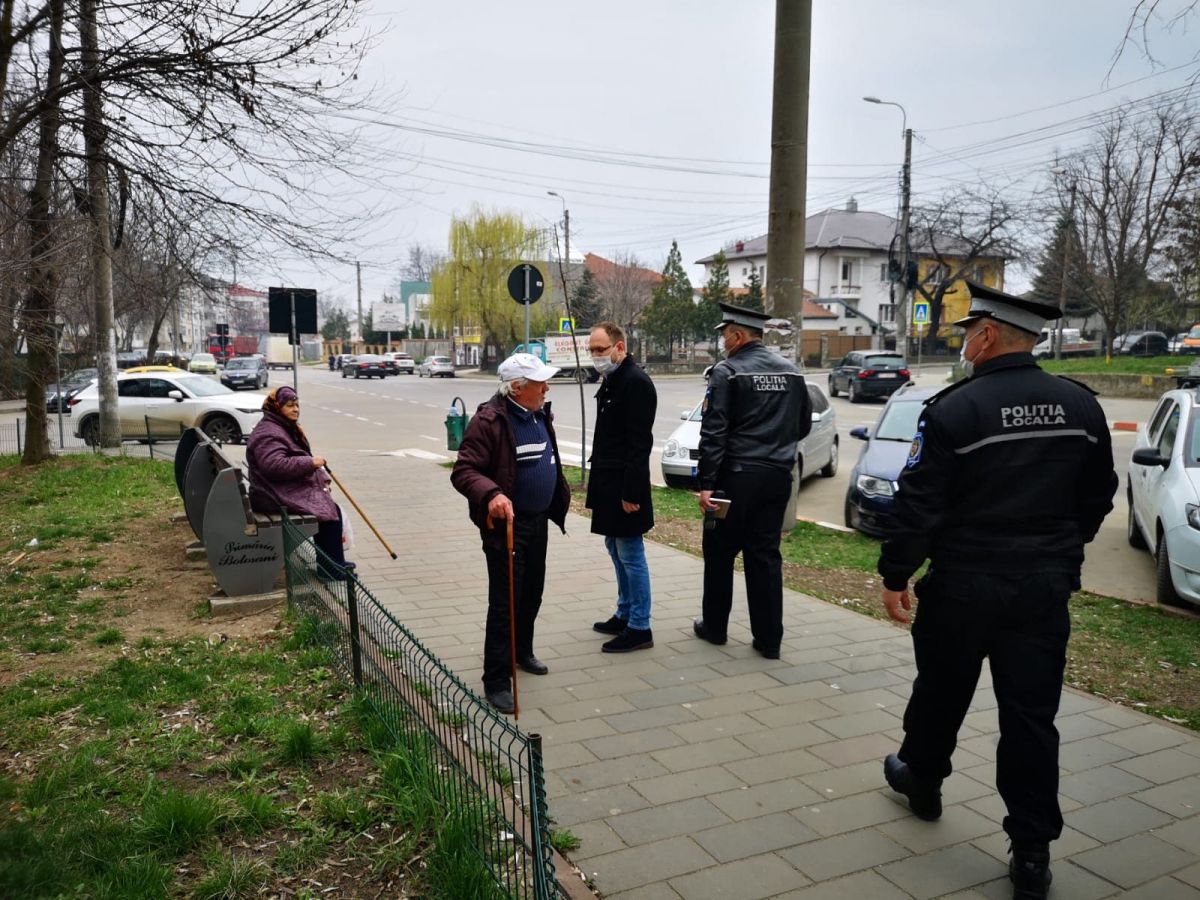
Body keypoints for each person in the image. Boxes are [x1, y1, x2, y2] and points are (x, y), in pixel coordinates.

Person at [876, 282, 1117, 900]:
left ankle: (923, 781)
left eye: (968, 333)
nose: (964, 344)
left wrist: (896, 574)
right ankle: (1031, 852)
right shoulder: (1081, 406)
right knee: (1031, 717)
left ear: (986, 336)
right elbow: (1099, 495)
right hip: (1042, 588)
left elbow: (919, 505)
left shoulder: (956, 408)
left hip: (963, 585)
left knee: (940, 691)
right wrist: (1061, 551)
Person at [450, 352, 571, 714]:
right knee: (505, 602)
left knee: (532, 591)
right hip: (507, 526)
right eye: (540, 383)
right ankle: (497, 678)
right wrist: (492, 494)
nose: (547, 388)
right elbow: (464, 471)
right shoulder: (488, 421)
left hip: (538, 520)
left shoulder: (538, 413)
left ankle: (522, 651)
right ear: (517, 388)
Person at [692, 302, 810, 659]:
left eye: (725, 336)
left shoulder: (727, 372)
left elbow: (714, 431)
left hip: (734, 480)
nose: (723, 342)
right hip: (777, 478)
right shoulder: (792, 372)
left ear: (739, 335)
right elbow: (803, 425)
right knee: (765, 556)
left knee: (719, 553)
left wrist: (706, 484)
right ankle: (769, 640)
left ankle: (715, 628)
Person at [586, 322, 658, 653]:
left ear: (619, 347)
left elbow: (639, 444)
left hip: (625, 484)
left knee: (630, 552)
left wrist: (632, 492)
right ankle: (625, 612)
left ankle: (640, 627)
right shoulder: (614, 378)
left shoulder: (636, 382)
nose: (595, 355)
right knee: (614, 548)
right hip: (608, 480)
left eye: (600, 349)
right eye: (591, 350)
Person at [246, 385, 349, 579]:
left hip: (272, 489)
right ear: (277, 407)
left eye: (297, 405)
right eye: (289, 405)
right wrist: (310, 463)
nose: (295, 409)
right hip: (270, 495)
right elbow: (274, 465)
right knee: (328, 513)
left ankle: (334, 563)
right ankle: (331, 570)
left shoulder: (278, 426)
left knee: (328, 507)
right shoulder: (269, 433)